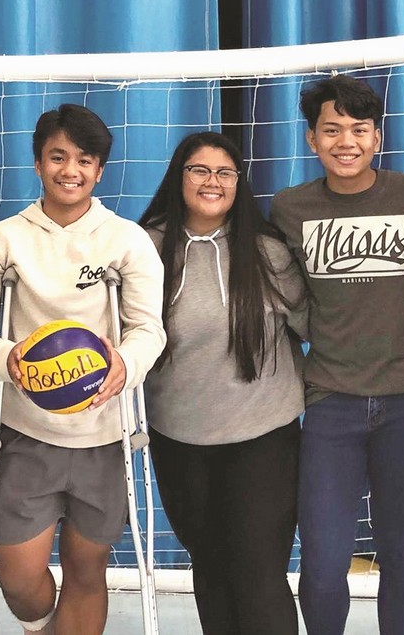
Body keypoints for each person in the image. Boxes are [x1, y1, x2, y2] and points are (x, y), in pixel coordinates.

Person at [0, 104, 166, 635]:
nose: (70, 170)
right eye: (58, 157)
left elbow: (149, 328)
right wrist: (7, 359)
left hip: (102, 435)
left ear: (99, 170)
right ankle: (42, 627)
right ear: (39, 162)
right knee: (22, 582)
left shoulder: (126, 240)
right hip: (29, 434)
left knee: (86, 569)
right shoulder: (5, 238)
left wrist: (126, 363)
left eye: (84, 160)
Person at [269, 74, 404, 635]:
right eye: (332, 129)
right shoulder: (290, 208)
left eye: (359, 129)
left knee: (402, 554)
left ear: (377, 138)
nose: (346, 141)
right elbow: (289, 300)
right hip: (330, 403)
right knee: (321, 563)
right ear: (311, 139)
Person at [138, 131, 306, 634]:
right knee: (210, 569)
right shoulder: (144, 247)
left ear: (238, 183)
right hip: (179, 439)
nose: (212, 182)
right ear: (178, 177)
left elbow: (316, 325)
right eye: (199, 170)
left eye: (225, 173)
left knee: (258, 575)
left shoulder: (268, 252)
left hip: (264, 439)